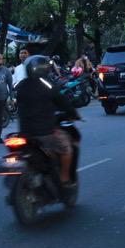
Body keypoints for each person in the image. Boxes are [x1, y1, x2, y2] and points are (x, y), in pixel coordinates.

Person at [16, 55, 79, 187]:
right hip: (45, 132)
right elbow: (62, 101)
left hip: (25, 132)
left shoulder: (21, 85)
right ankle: (65, 179)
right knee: (67, 148)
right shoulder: (47, 85)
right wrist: (73, 113)